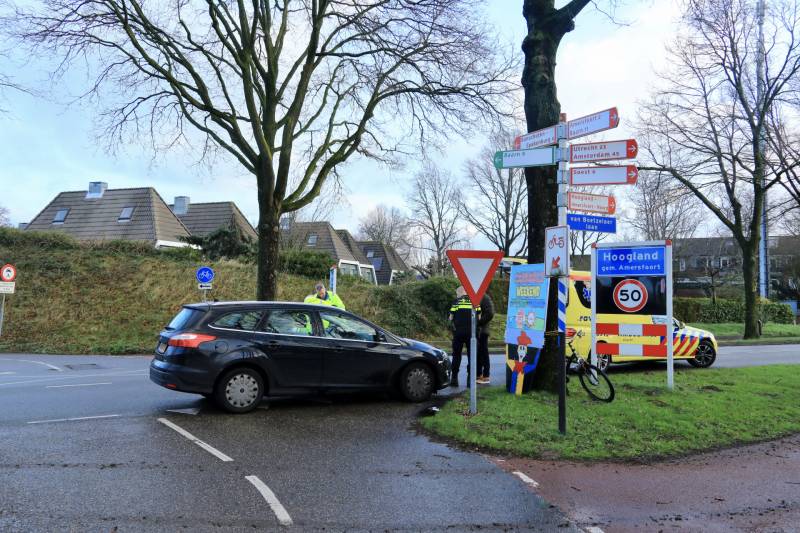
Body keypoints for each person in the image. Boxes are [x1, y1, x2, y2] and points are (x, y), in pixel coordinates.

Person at [448, 286, 480, 387]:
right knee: (471, 356)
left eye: (457, 293)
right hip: (472, 333)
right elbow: (479, 317)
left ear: (461, 292)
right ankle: (470, 380)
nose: (457, 295)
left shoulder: (456, 302)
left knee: (456, 355)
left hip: (458, 333)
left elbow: (450, 318)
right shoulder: (475, 302)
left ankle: (454, 379)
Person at [476, 293, 495, 384]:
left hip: (482, 331)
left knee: (483, 352)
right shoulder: (475, 296)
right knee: (478, 353)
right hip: (475, 331)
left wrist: (479, 323)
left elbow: (490, 313)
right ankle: (478, 374)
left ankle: (486, 375)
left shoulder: (484, 297)